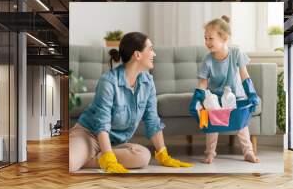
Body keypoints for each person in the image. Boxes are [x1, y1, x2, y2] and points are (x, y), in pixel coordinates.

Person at [69, 32, 193, 173]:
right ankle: (98, 156)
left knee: (143, 156)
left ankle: (94, 157)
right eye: (150, 49)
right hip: (90, 135)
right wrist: (109, 157)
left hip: (115, 144)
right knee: (70, 163)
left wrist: (163, 154)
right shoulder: (109, 81)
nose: (155, 54)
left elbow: (152, 120)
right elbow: (101, 124)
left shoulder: (148, 82)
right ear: (137, 55)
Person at [197, 16, 260, 164]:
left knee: (242, 124)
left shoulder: (236, 53)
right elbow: (202, 82)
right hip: (215, 98)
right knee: (211, 124)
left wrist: (251, 93)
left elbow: (244, 75)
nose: (206, 42)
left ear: (224, 38)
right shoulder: (208, 59)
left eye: (210, 38)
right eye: (205, 38)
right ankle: (210, 153)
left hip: (236, 96)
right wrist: (197, 98)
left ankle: (248, 152)